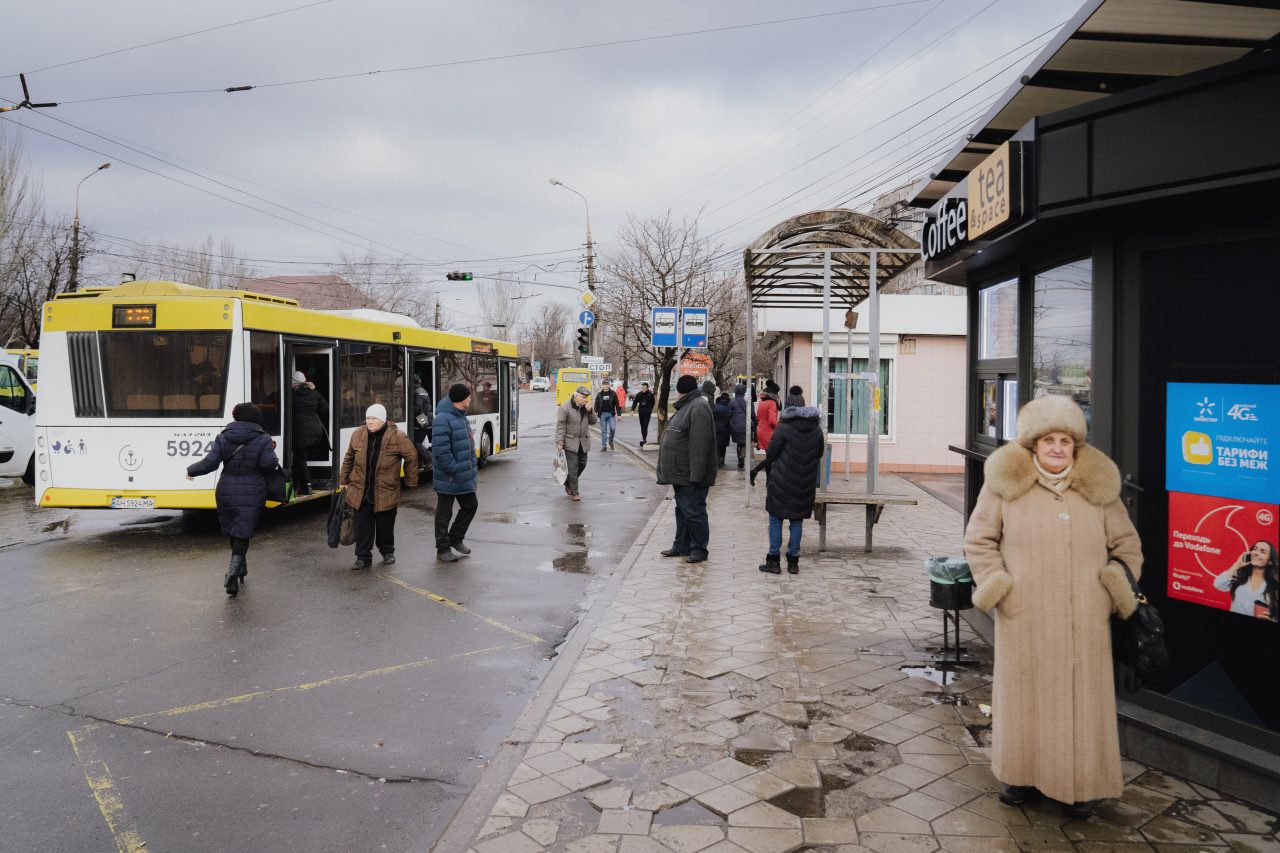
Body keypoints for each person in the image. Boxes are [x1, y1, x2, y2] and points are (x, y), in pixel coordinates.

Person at [963, 394, 1144, 818]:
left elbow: (1127, 545)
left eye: (1066, 440)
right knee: (1025, 698)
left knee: (1081, 703)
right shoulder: (1004, 485)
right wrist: (998, 586)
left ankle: (1081, 785)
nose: (1058, 448)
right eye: (1049, 441)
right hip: (1024, 616)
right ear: (1033, 446)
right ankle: (1019, 775)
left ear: (1076, 445)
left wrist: (1111, 588)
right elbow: (979, 539)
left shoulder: (1098, 488)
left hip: (1086, 619)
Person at [186, 402, 279, 597]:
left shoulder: (223, 437)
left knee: (233, 528)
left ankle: (240, 567)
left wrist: (191, 470)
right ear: (256, 418)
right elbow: (269, 464)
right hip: (253, 489)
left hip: (226, 487)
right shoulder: (263, 439)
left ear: (235, 416)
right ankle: (233, 571)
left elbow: (210, 463)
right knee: (243, 531)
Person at [340, 403, 419, 570]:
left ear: (382, 420)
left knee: (385, 525)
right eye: (367, 418)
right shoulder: (358, 434)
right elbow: (349, 457)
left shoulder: (397, 436)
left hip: (386, 490)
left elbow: (411, 456)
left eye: (373, 418)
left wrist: (410, 481)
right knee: (363, 526)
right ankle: (362, 557)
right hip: (360, 490)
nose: (369, 422)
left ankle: (387, 551)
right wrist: (344, 479)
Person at [758, 387, 823, 576]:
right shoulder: (816, 429)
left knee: (776, 518)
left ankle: (774, 560)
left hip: (781, 482)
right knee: (797, 520)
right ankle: (793, 562)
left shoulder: (784, 427)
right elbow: (819, 453)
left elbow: (771, 453)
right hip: (805, 483)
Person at [656, 374, 718, 564]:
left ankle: (699, 549)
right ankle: (681, 545)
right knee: (682, 511)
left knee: (694, 511)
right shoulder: (688, 406)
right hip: (682, 474)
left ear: (680, 390)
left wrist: (696, 476)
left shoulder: (698, 407)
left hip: (691, 476)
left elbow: (699, 445)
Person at [431, 383, 479, 562]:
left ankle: (455, 538)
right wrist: (455, 469)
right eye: (468, 397)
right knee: (444, 514)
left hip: (462, 476)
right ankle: (442, 549)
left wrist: (471, 467)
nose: (470, 399)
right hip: (450, 477)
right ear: (460, 400)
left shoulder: (460, 417)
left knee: (470, 505)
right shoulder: (443, 419)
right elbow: (441, 452)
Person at [1213, 541, 1278, 619]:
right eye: (1255, 549)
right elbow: (1218, 584)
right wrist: (1237, 564)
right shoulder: (1240, 576)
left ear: (1270, 561)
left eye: (1262, 551)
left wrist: (1271, 619)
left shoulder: (1275, 586)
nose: (1256, 553)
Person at [289, 370, 329, 496]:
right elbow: (326, 409)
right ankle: (296, 485)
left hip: (301, 431)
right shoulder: (314, 393)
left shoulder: (291, 395)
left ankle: (307, 487)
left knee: (300, 459)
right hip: (316, 430)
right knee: (299, 458)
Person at [555, 385, 597, 501]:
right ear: (576, 396)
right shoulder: (565, 407)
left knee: (582, 464)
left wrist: (590, 411)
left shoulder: (586, 407)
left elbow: (593, 421)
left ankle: (569, 482)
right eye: (584, 397)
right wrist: (559, 441)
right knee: (573, 467)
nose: (586, 399)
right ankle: (575, 492)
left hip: (583, 441)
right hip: (570, 441)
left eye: (587, 397)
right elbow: (560, 426)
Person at [412, 374, 433, 469]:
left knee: (415, 443)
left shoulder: (416, 392)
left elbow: (417, 409)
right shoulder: (422, 391)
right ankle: (420, 463)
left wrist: (423, 423)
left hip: (422, 422)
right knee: (417, 443)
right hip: (427, 420)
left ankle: (430, 458)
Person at [594, 379, 621, 451]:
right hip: (602, 414)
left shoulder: (613, 393)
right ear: (602, 386)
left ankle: (611, 441)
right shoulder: (599, 394)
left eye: (607, 384)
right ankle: (603, 446)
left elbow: (617, 404)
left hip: (611, 414)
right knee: (603, 430)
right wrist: (595, 414)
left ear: (609, 385)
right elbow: (596, 405)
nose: (606, 386)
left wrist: (619, 414)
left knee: (613, 428)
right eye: (604, 384)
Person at [756, 380, 781, 452]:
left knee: (769, 455)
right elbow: (772, 421)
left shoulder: (761, 402)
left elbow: (758, 417)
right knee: (772, 456)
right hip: (769, 432)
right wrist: (778, 427)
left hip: (761, 430)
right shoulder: (772, 403)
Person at [729, 384, 749, 469]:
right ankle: (742, 455)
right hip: (746, 426)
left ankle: (739, 459)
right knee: (745, 442)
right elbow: (752, 415)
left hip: (735, 426)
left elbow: (729, 415)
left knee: (738, 443)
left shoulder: (732, 402)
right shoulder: (748, 401)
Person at [632, 382, 656, 447]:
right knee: (642, 426)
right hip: (641, 412)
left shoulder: (650, 395)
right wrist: (632, 410)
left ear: (647, 388)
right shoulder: (639, 394)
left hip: (648, 413)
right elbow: (635, 402)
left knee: (645, 425)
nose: (643, 389)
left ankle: (644, 439)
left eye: (645, 388)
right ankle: (644, 438)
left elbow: (653, 402)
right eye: (642, 388)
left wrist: (650, 408)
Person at [712, 392, 732, 466]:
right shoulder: (728, 408)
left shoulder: (715, 406)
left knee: (717, 445)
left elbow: (713, 417)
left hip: (716, 428)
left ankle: (717, 460)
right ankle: (722, 459)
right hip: (725, 429)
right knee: (723, 445)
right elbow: (729, 418)